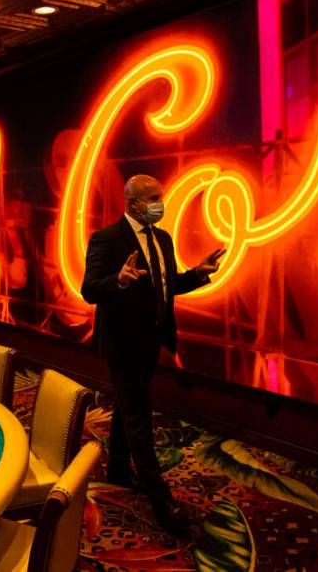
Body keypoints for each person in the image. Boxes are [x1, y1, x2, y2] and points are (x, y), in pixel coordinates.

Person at [81, 174, 224, 536]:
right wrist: (120, 279)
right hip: (123, 343)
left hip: (152, 340)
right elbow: (89, 289)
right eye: (153, 198)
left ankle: (117, 469)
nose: (160, 203)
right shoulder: (107, 239)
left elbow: (167, 282)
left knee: (128, 407)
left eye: (160, 196)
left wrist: (198, 274)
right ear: (132, 203)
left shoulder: (162, 238)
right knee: (139, 416)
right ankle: (161, 500)